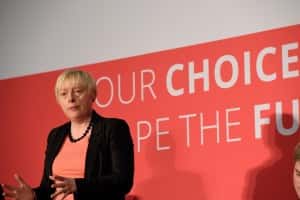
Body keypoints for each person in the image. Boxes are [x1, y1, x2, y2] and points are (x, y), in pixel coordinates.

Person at [1, 69, 134, 200]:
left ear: (93, 95)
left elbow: (122, 181)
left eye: (78, 91)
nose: (70, 98)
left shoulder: (113, 128)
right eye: (63, 94)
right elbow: (49, 188)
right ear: (59, 101)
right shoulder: (55, 135)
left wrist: (78, 185)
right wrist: (34, 195)